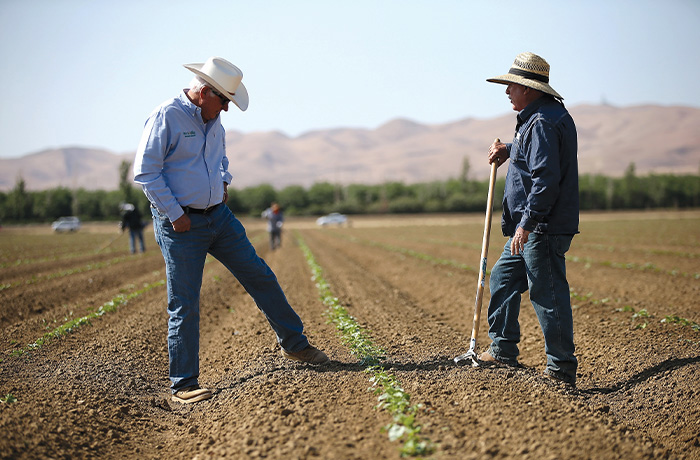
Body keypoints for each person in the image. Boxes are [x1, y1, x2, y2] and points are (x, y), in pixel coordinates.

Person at [133, 56, 329, 404]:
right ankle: (184, 385)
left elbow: (221, 160)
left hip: (219, 217)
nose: (225, 108)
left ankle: (295, 345)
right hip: (182, 225)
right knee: (185, 302)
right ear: (205, 91)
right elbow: (147, 172)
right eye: (223, 100)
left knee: (260, 275)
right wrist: (176, 214)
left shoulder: (214, 122)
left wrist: (223, 181)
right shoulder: (167, 116)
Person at [479, 52, 579, 386]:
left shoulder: (543, 122)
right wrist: (510, 149)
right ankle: (503, 350)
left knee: (548, 296)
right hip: (532, 226)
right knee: (503, 278)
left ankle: (561, 369)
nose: (507, 90)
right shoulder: (538, 119)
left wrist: (526, 223)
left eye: (512, 85)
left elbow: (546, 179)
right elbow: (534, 155)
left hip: (540, 227)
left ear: (530, 89)